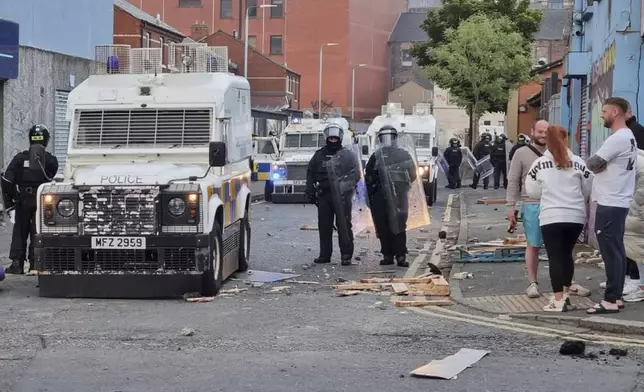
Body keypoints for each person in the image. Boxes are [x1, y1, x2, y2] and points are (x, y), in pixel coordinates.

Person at [525, 125, 593, 311]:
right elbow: (587, 188)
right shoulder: (579, 162)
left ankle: (557, 300)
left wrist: (548, 191)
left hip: (551, 215)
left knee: (555, 256)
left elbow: (532, 190)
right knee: (567, 254)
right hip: (576, 216)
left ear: (547, 140)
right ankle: (565, 294)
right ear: (565, 139)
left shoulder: (539, 164)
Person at [586, 97, 638, 314]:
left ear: (615, 112)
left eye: (604, 111)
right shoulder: (629, 137)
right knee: (615, 250)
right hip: (618, 200)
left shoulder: (617, 138)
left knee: (610, 251)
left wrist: (597, 164)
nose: (602, 115)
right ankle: (615, 298)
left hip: (610, 201)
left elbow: (592, 164)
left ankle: (610, 300)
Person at [2, 124, 58, 274]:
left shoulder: (19, 159)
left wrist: (12, 200)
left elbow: (7, 181)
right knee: (38, 231)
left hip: (23, 200)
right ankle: (36, 265)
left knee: (20, 231)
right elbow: (52, 176)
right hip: (43, 201)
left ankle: (17, 264)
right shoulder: (51, 160)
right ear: (46, 140)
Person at [305, 123, 359, 266]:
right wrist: (309, 190)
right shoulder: (319, 155)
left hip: (342, 196)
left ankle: (346, 255)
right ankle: (325, 255)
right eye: (331, 139)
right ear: (326, 138)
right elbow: (310, 172)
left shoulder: (347, 155)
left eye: (335, 139)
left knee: (344, 226)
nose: (333, 141)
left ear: (340, 138)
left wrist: (348, 187)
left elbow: (356, 174)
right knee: (324, 226)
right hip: (324, 195)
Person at [365, 126, 417, 268]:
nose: (387, 141)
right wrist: (372, 186)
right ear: (380, 139)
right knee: (382, 225)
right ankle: (387, 255)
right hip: (380, 196)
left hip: (398, 195)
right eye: (384, 138)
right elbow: (367, 175)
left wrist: (400, 184)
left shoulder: (403, 155)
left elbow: (412, 174)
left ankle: (400, 255)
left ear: (395, 138)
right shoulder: (376, 156)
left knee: (399, 225)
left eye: (390, 137)